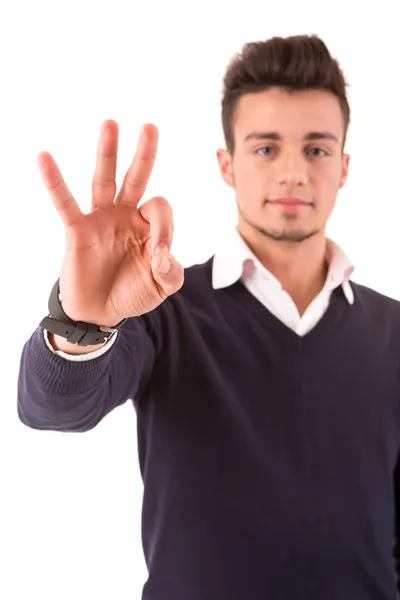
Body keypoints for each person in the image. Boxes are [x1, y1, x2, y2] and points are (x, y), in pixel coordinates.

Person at [17, 33, 400, 599]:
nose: (293, 172)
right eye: (266, 148)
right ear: (226, 164)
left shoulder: (393, 332)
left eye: (316, 149)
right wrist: (80, 321)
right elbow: (52, 407)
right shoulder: (164, 309)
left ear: (343, 166)